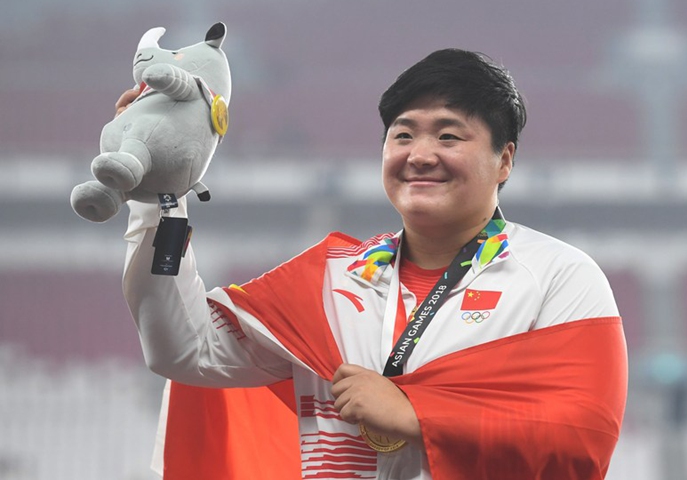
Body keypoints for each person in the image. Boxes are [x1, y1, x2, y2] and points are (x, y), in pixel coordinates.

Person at [120, 49, 628, 479]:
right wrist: (161, 200)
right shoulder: (329, 277)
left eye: (449, 137)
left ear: (505, 160)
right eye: (403, 136)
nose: (421, 154)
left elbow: (581, 438)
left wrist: (417, 414)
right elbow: (182, 349)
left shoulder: (558, 276)